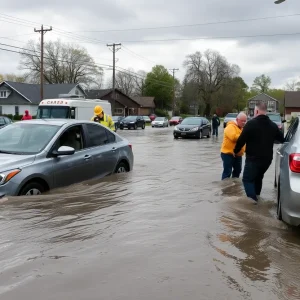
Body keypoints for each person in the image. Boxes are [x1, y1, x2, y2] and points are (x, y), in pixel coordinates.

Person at [234, 101, 285, 201]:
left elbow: (241, 140)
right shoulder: (273, 125)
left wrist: (235, 151)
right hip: (267, 160)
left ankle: (253, 203)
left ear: (256, 111)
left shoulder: (250, 124)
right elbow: (282, 139)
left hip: (253, 159)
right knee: (258, 178)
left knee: (247, 180)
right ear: (266, 111)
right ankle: (257, 196)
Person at [220, 112, 247, 180]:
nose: (244, 122)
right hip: (227, 154)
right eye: (242, 121)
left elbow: (243, 143)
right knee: (227, 172)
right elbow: (233, 137)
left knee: (238, 171)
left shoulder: (242, 129)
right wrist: (245, 136)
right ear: (237, 120)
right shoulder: (230, 126)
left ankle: (234, 187)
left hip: (238, 154)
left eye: (245, 121)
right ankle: (226, 188)